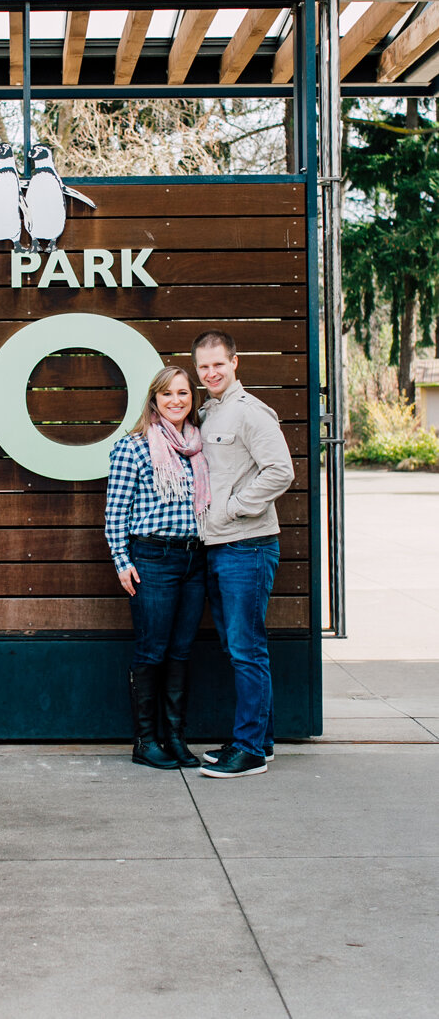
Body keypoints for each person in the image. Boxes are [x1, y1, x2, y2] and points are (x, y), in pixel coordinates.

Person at [192, 330, 294, 779]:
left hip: (247, 546)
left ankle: (249, 749)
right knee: (242, 646)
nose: (211, 373)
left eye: (218, 364)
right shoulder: (209, 412)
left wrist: (232, 509)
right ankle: (261, 741)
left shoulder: (250, 413)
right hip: (220, 547)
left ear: (236, 362)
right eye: (203, 367)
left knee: (245, 650)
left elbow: (281, 471)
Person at [105, 365, 210, 770]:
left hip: (194, 559)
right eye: (167, 394)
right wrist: (121, 560)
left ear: (192, 399)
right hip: (152, 560)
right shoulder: (132, 447)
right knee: (153, 650)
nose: (176, 401)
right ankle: (146, 741)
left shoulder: (198, 448)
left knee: (182, 652)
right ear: (154, 400)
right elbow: (116, 511)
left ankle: (176, 738)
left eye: (183, 394)